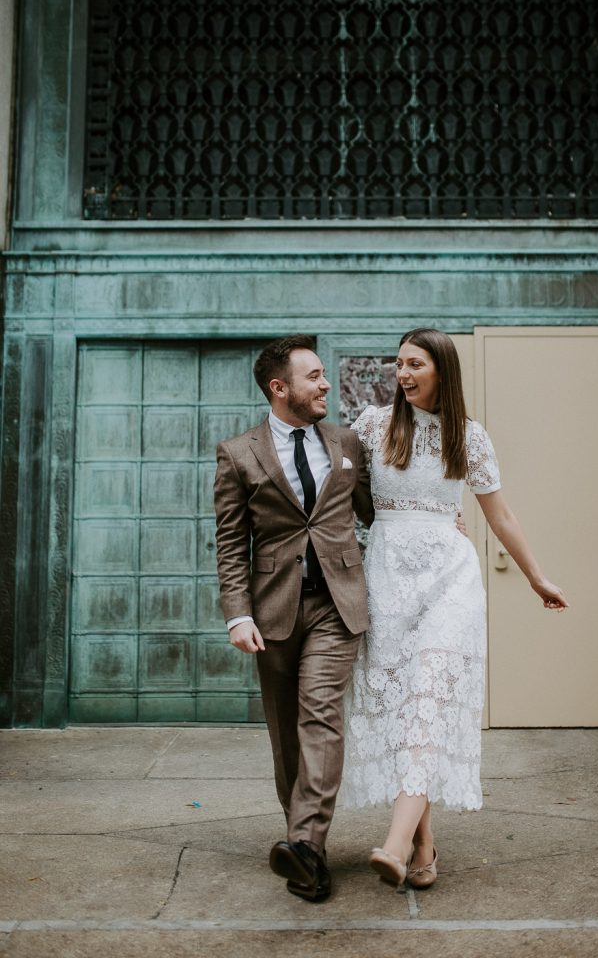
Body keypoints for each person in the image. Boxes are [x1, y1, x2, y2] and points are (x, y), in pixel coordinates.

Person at [340, 328, 568, 889]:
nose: (404, 374)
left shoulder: (471, 437)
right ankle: (423, 846)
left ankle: (393, 845)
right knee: (404, 709)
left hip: (450, 580)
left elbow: (501, 516)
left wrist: (538, 579)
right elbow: (340, 488)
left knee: (430, 699)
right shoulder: (372, 426)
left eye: (415, 364)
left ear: (443, 370)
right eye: (399, 364)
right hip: (388, 579)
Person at [213, 335, 374, 903]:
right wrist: (237, 615)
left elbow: (376, 513)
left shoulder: (347, 441)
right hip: (274, 611)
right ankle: (308, 851)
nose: (325, 384)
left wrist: (436, 526)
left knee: (320, 716)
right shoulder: (238, 454)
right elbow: (231, 544)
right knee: (286, 734)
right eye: (313, 377)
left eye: (324, 374)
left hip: (338, 603)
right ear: (280, 389)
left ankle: (304, 842)